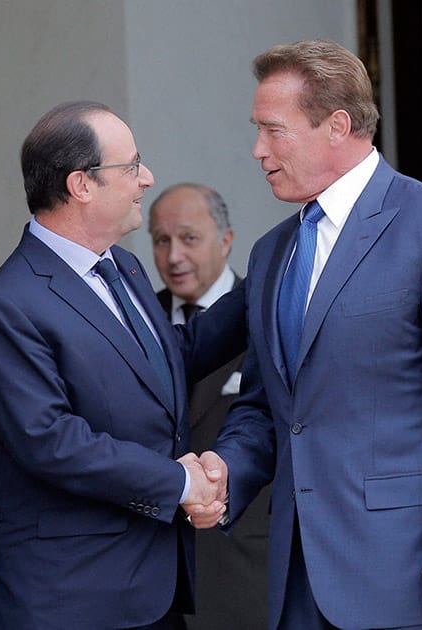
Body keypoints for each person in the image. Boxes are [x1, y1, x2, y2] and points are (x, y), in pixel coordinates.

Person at [187, 40, 422, 629]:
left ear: (337, 125)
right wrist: (226, 472)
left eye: (273, 130)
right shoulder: (272, 252)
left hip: (409, 576)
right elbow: (267, 407)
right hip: (294, 577)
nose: (257, 150)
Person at [0, 101, 244, 630]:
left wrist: (276, 274)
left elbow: (171, 357)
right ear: (82, 185)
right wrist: (178, 482)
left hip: (150, 587)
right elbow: (49, 440)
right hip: (67, 598)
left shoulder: (121, 265)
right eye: (132, 166)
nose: (146, 178)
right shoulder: (8, 302)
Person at [149, 183, 270, 630]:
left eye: (189, 238)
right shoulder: (135, 320)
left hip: (242, 564)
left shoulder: (263, 315)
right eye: (162, 240)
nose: (175, 256)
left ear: (226, 239)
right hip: (154, 573)